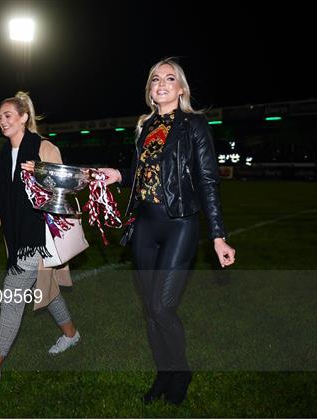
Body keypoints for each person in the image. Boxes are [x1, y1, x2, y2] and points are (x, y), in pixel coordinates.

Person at [99, 58, 236, 405]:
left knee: (162, 306)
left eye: (169, 78)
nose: (161, 83)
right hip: (144, 225)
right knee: (150, 308)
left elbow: (207, 180)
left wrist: (218, 235)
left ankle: (180, 371)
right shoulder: (145, 126)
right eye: (155, 79)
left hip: (179, 224)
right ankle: (163, 371)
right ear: (150, 90)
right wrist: (119, 175)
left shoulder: (194, 125)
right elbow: (141, 174)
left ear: (181, 89)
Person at [0, 92, 80, 387]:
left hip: (38, 238)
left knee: (12, 297)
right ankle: (72, 335)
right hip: (17, 238)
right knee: (46, 291)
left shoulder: (44, 148)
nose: (2, 122)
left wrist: (38, 173)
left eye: (8, 115)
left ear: (24, 117)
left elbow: (66, 188)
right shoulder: (3, 156)